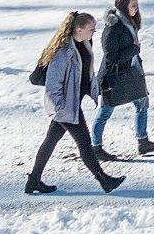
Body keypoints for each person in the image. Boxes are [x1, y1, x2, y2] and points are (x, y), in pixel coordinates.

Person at [25, 11, 125, 195]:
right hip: (65, 106)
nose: (94, 32)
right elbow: (53, 86)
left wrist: (94, 88)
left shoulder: (84, 44)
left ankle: (33, 181)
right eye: (91, 29)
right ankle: (104, 180)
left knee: (50, 141)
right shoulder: (63, 52)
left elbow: (84, 73)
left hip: (71, 103)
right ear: (78, 29)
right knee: (85, 143)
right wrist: (62, 109)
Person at [92, 0, 154, 160]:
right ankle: (95, 147)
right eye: (133, 6)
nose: (136, 9)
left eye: (137, 5)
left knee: (142, 103)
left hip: (131, 72)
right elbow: (111, 58)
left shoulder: (129, 24)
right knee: (104, 112)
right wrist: (134, 49)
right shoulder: (113, 27)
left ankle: (143, 141)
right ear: (123, 6)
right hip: (113, 77)